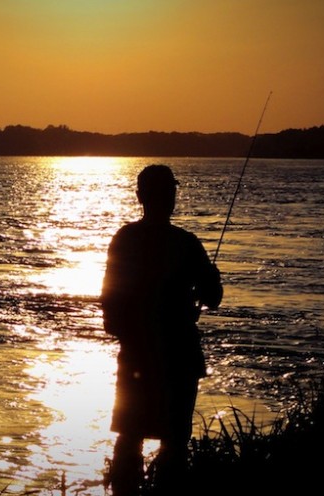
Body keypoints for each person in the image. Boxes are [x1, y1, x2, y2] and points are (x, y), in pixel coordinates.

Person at [100, 165, 222, 495]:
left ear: (141, 197)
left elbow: (109, 310)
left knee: (130, 438)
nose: (172, 198)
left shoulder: (124, 239)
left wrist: (131, 332)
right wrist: (212, 278)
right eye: (170, 192)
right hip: (180, 357)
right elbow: (213, 299)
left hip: (137, 358)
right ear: (167, 197)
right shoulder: (186, 243)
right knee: (174, 444)